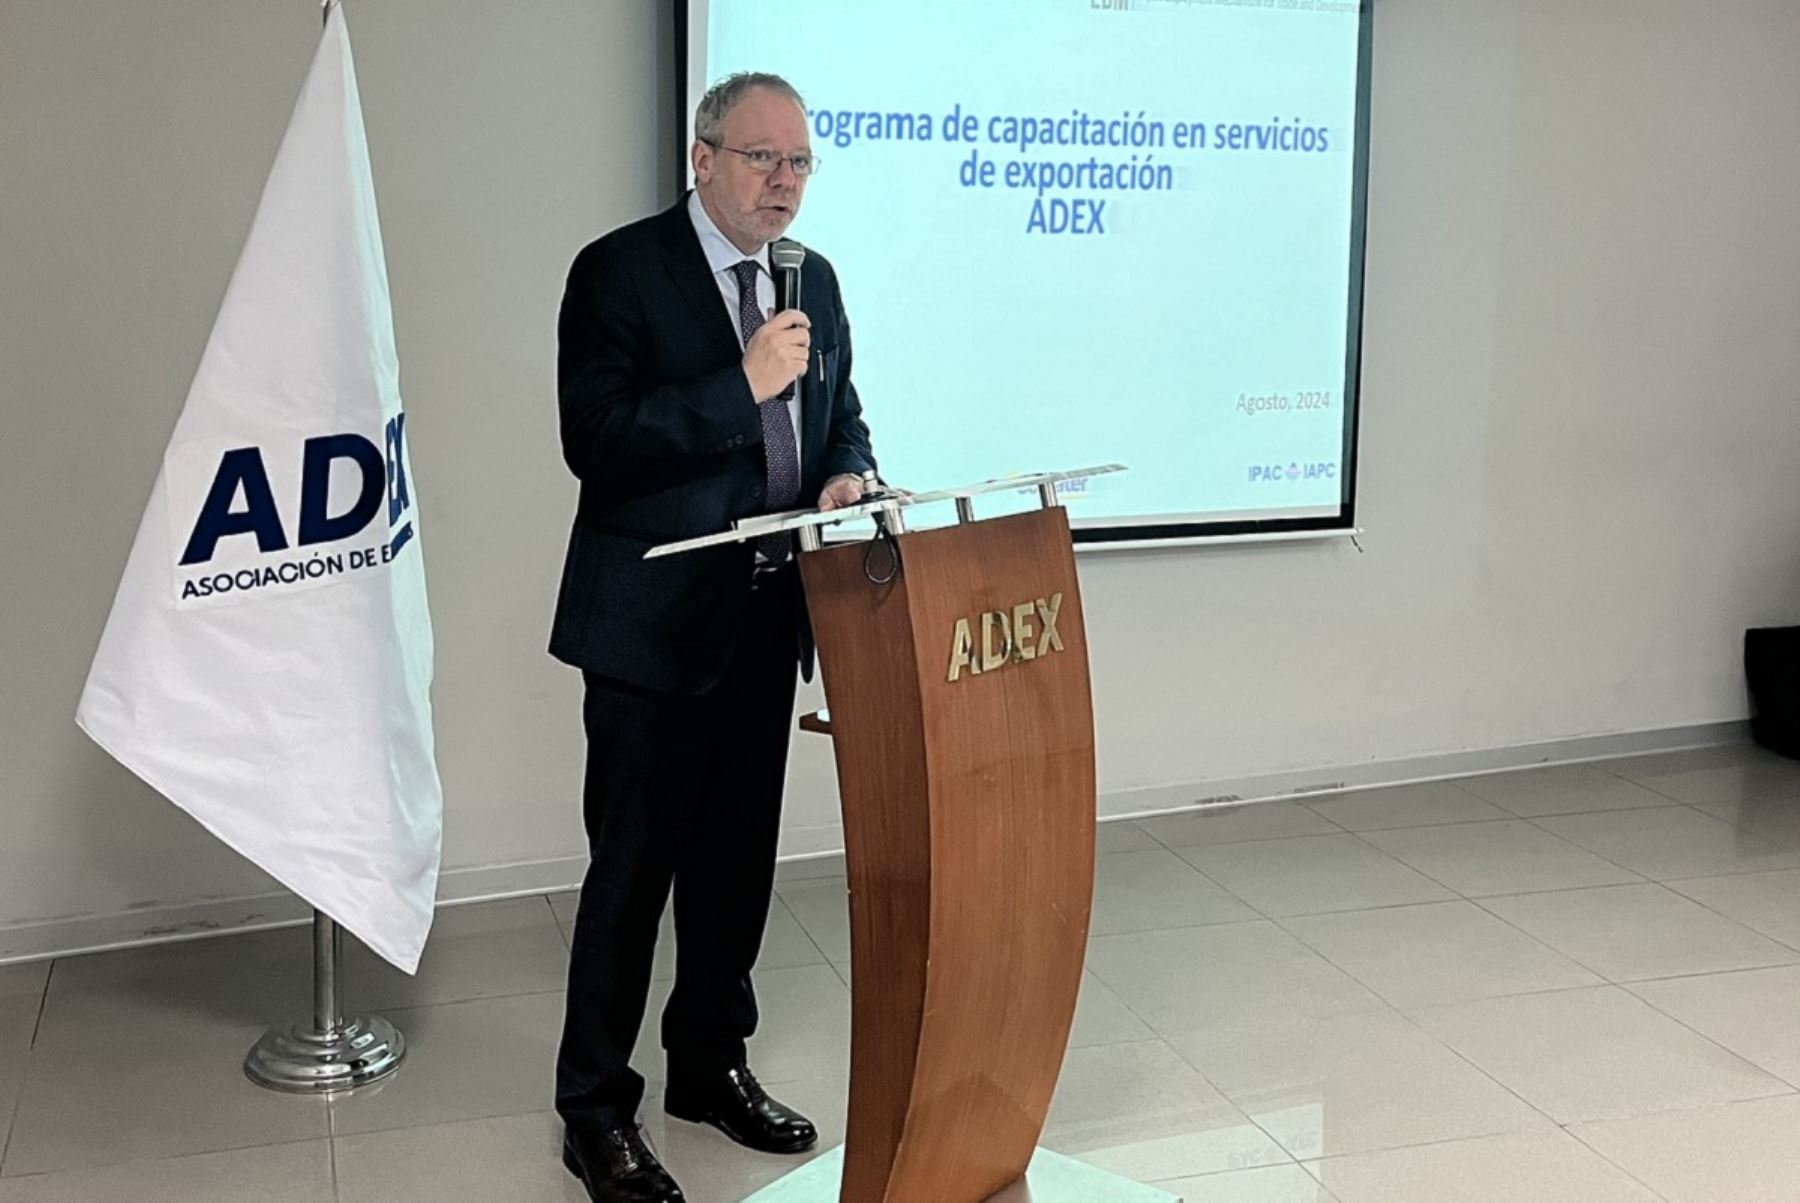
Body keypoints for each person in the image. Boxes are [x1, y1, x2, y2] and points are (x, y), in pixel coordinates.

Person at [549, 71, 876, 1203]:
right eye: (759, 158)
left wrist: (847, 474)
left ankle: (707, 1067)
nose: (783, 183)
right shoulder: (618, 271)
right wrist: (739, 386)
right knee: (631, 879)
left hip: (766, 616)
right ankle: (594, 1108)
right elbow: (596, 440)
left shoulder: (813, 282)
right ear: (701, 157)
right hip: (648, 633)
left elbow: (842, 413)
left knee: (736, 873)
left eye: (799, 164)